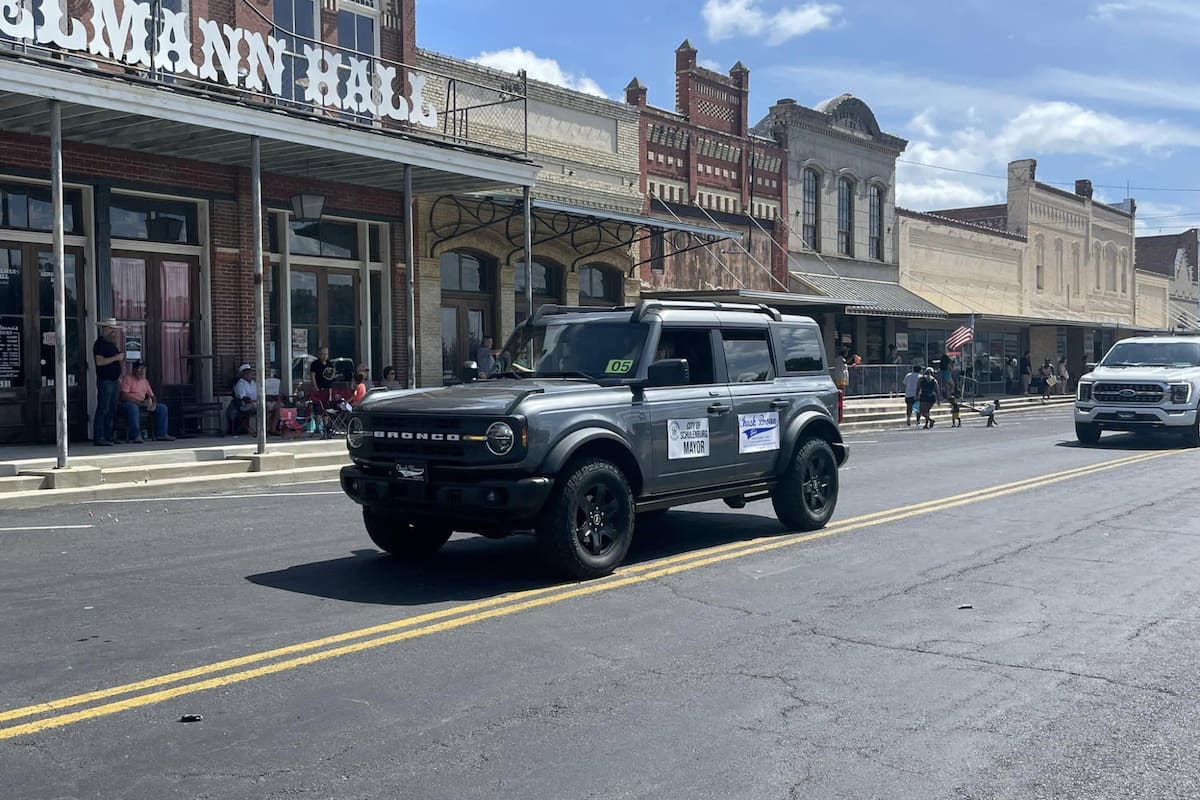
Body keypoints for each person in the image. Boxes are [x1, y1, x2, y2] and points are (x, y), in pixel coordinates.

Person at [117, 360, 174, 442]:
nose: (142, 371)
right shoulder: (128, 378)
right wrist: (140, 402)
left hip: (142, 404)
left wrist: (153, 403)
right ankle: (135, 435)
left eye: (144, 369)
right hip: (128, 404)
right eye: (140, 369)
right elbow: (123, 396)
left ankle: (161, 434)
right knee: (133, 408)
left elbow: (152, 396)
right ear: (134, 370)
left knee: (162, 408)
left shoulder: (145, 381)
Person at [92, 318, 124, 446]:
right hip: (105, 381)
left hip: (114, 380)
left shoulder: (112, 344)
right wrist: (116, 357)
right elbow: (99, 362)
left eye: (114, 329)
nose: (113, 332)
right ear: (104, 329)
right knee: (103, 409)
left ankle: (109, 436)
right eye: (111, 329)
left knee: (112, 409)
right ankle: (99, 437)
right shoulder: (99, 344)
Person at [228, 363, 257, 435]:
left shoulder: (254, 383)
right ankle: (262, 430)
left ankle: (269, 429)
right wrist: (251, 400)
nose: (248, 374)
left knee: (272, 406)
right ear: (242, 374)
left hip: (256, 402)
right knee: (262, 408)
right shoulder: (240, 384)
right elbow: (243, 398)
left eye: (249, 372)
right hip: (244, 406)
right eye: (246, 372)